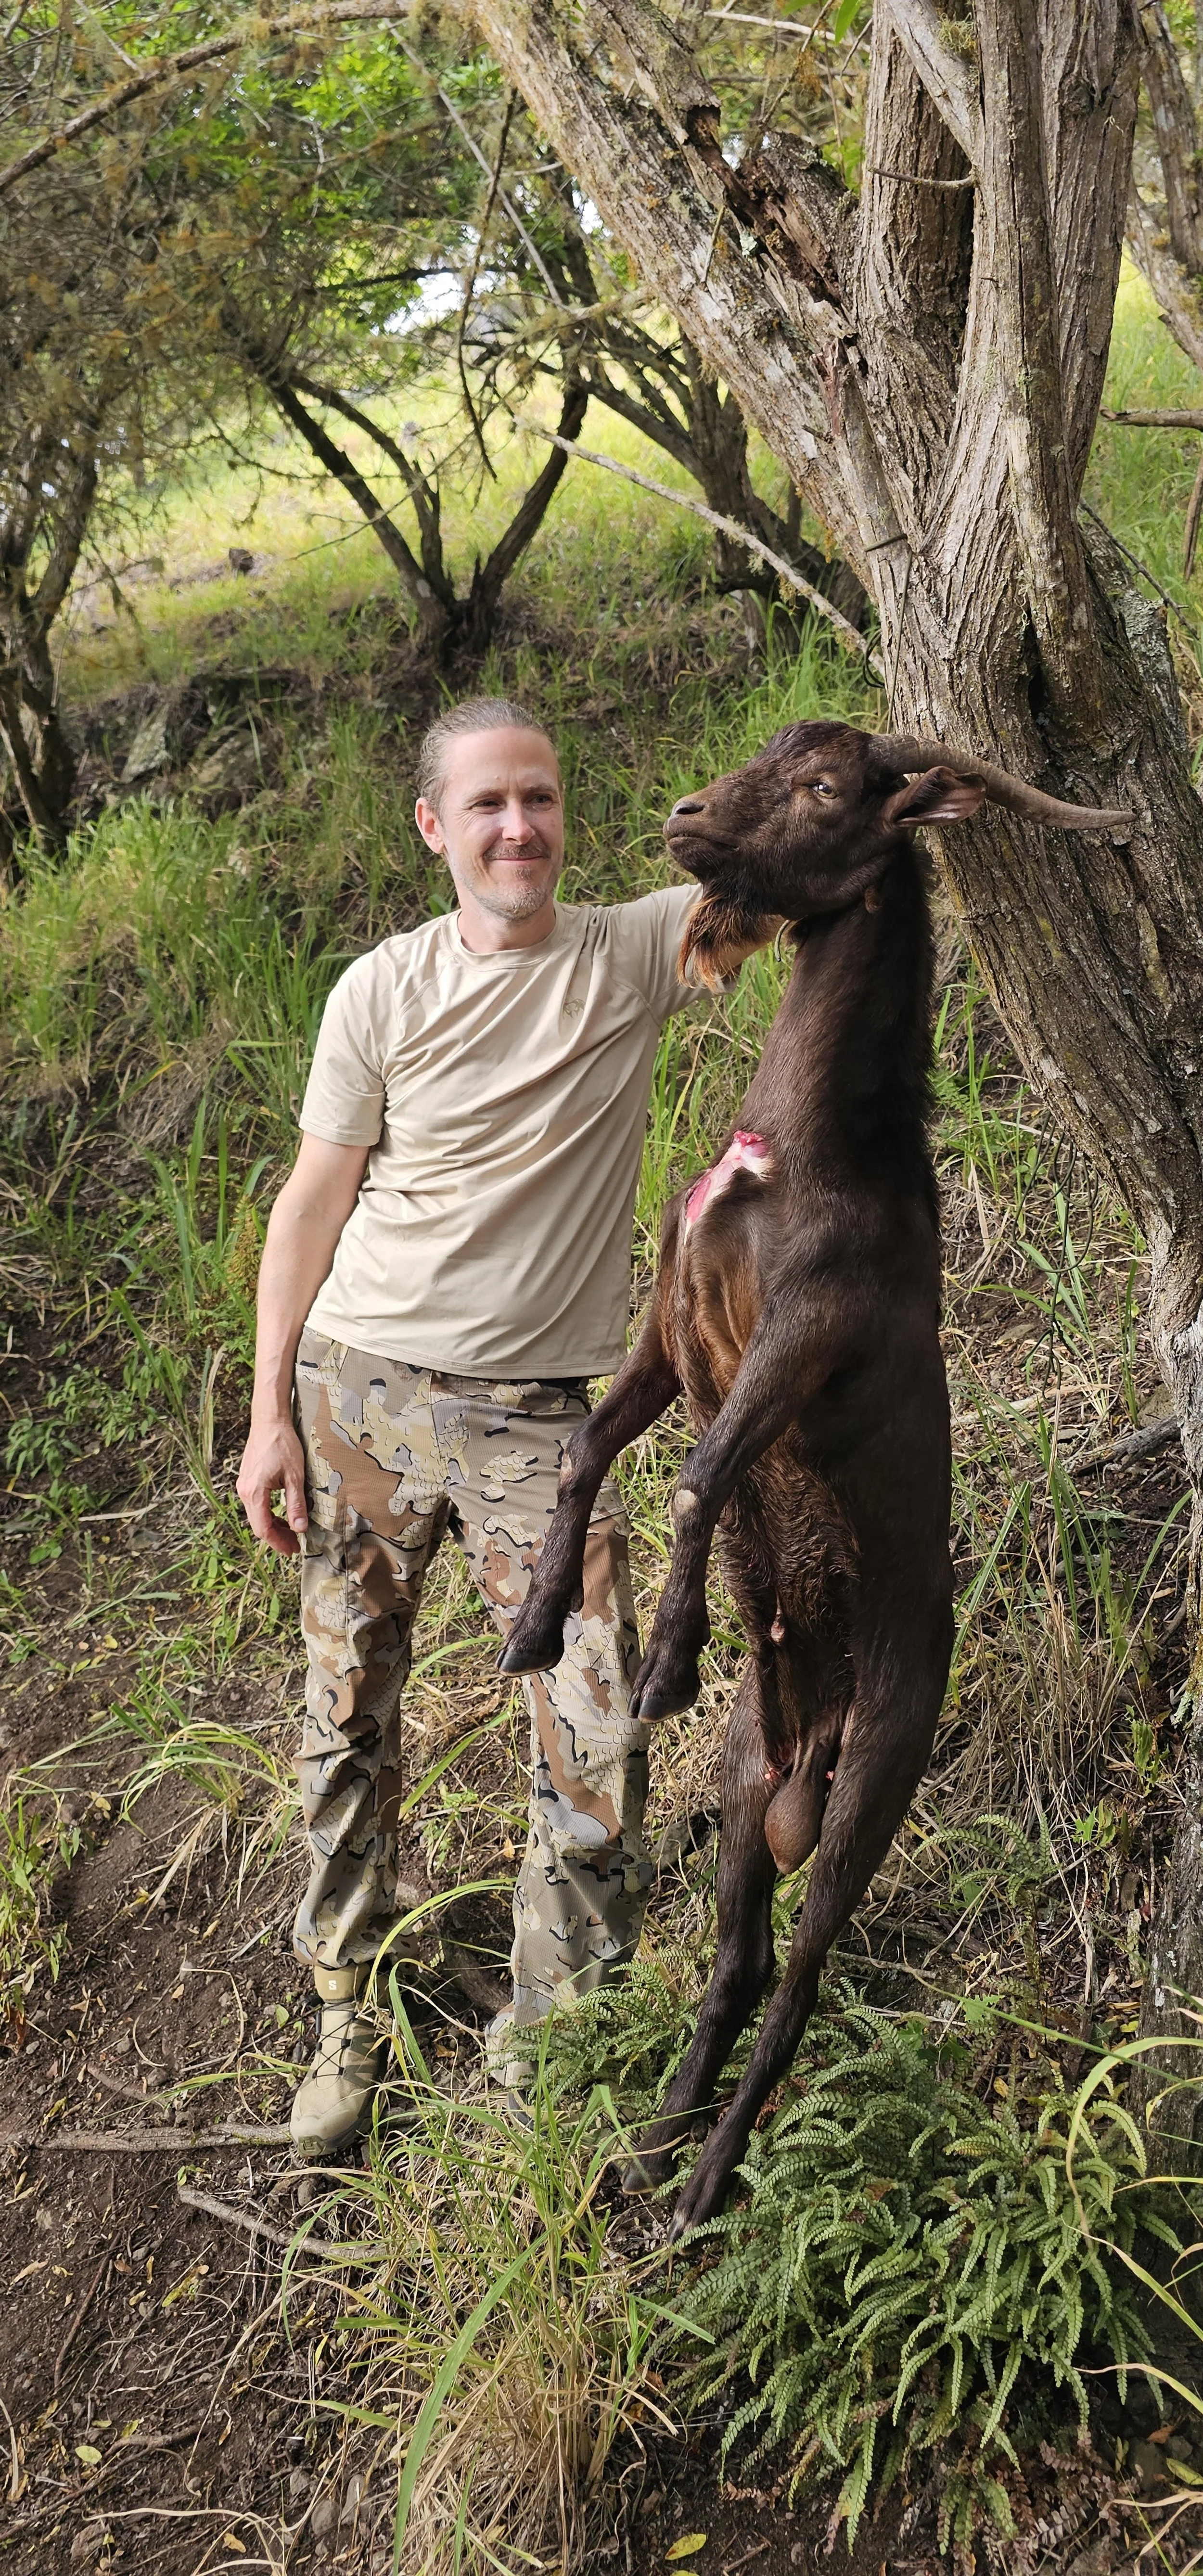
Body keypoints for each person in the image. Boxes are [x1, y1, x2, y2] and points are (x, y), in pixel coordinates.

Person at [236, 696, 737, 2157]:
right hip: (360, 1394)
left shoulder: (634, 950)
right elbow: (310, 1207)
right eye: (489, 805)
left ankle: (556, 2032)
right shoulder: (378, 993)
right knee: (347, 1713)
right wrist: (271, 1414)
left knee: (597, 1710)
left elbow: (786, 869)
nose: (520, 828)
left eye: (541, 800)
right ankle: (349, 1999)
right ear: (434, 828)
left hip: (538, 1427)